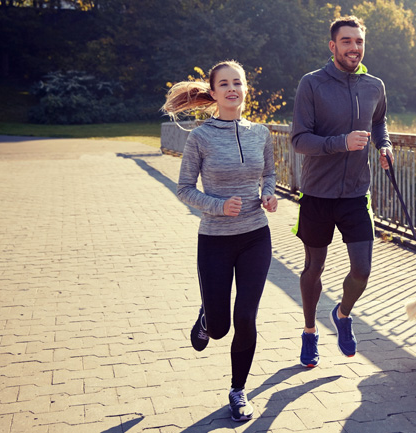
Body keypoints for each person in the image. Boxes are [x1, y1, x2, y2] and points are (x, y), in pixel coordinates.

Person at [161, 60, 277, 422]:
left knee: (245, 318)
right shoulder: (200, 137)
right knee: (221, 327)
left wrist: (270, 195)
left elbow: (270, 174)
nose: (231, 89)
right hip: (215, 240)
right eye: (223, 84)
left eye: (237, 83)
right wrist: (217, 206)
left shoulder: (261, 133)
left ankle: (238, 390)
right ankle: (207, 319)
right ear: (212, 93)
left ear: (245, 89)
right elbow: (183, 189)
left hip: (256, 237)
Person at [290, 16, 394, 368]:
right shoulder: (312, 85)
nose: (354, 48)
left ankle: (342, 314)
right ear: (332, 46)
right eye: (346, 41)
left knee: (362, 271)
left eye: (359, 42)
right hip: (317, 195)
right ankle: (308, 331)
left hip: (355, 195)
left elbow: (378, 121)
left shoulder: (374, 85)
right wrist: (342, 143)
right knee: (313, 269)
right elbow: (300, 140)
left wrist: (384, 145)